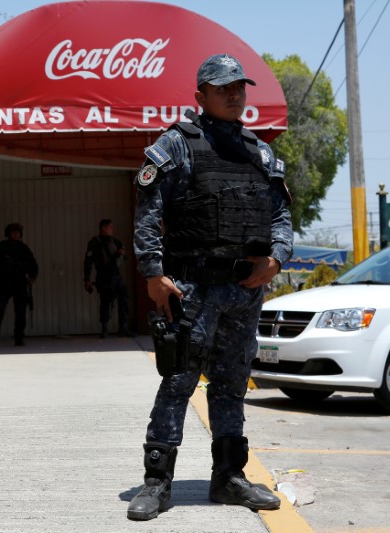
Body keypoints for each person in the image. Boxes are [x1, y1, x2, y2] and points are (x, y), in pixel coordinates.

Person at [127, 54, 293, 520]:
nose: (234, 94)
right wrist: (152, 273)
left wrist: (277, 258)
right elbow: (148, 211)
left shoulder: (259, 151)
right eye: (223, 88)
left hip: (244, 292)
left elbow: (281, 216)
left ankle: (229, 478)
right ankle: (157, 483)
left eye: (239, 86)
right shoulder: (177, 145)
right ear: (200, 96)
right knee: (178, 382)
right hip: (190, 289)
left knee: (231, 386)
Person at [0, 223, 39, 347]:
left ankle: (19, 337)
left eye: (18, 232)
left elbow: (33, 265)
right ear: (8, 233)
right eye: (13, 232)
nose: (16, 234)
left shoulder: (23, 248)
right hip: (5, 282)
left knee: (21, 312)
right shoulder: (1, 247)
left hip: (20, 283)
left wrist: (32, 277)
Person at [83, 219, 132, 338]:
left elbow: (122, 256)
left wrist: (121, 253)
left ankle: (123, 328)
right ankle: (104, 329)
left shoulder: (115, 241)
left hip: (116, 275)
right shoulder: (95, 242)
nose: (112, 229)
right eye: (110, 227)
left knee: (124, 298)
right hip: (103, 275)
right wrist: (87, 279)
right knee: (105, 301)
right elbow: (88, 262)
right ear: (103, 228)